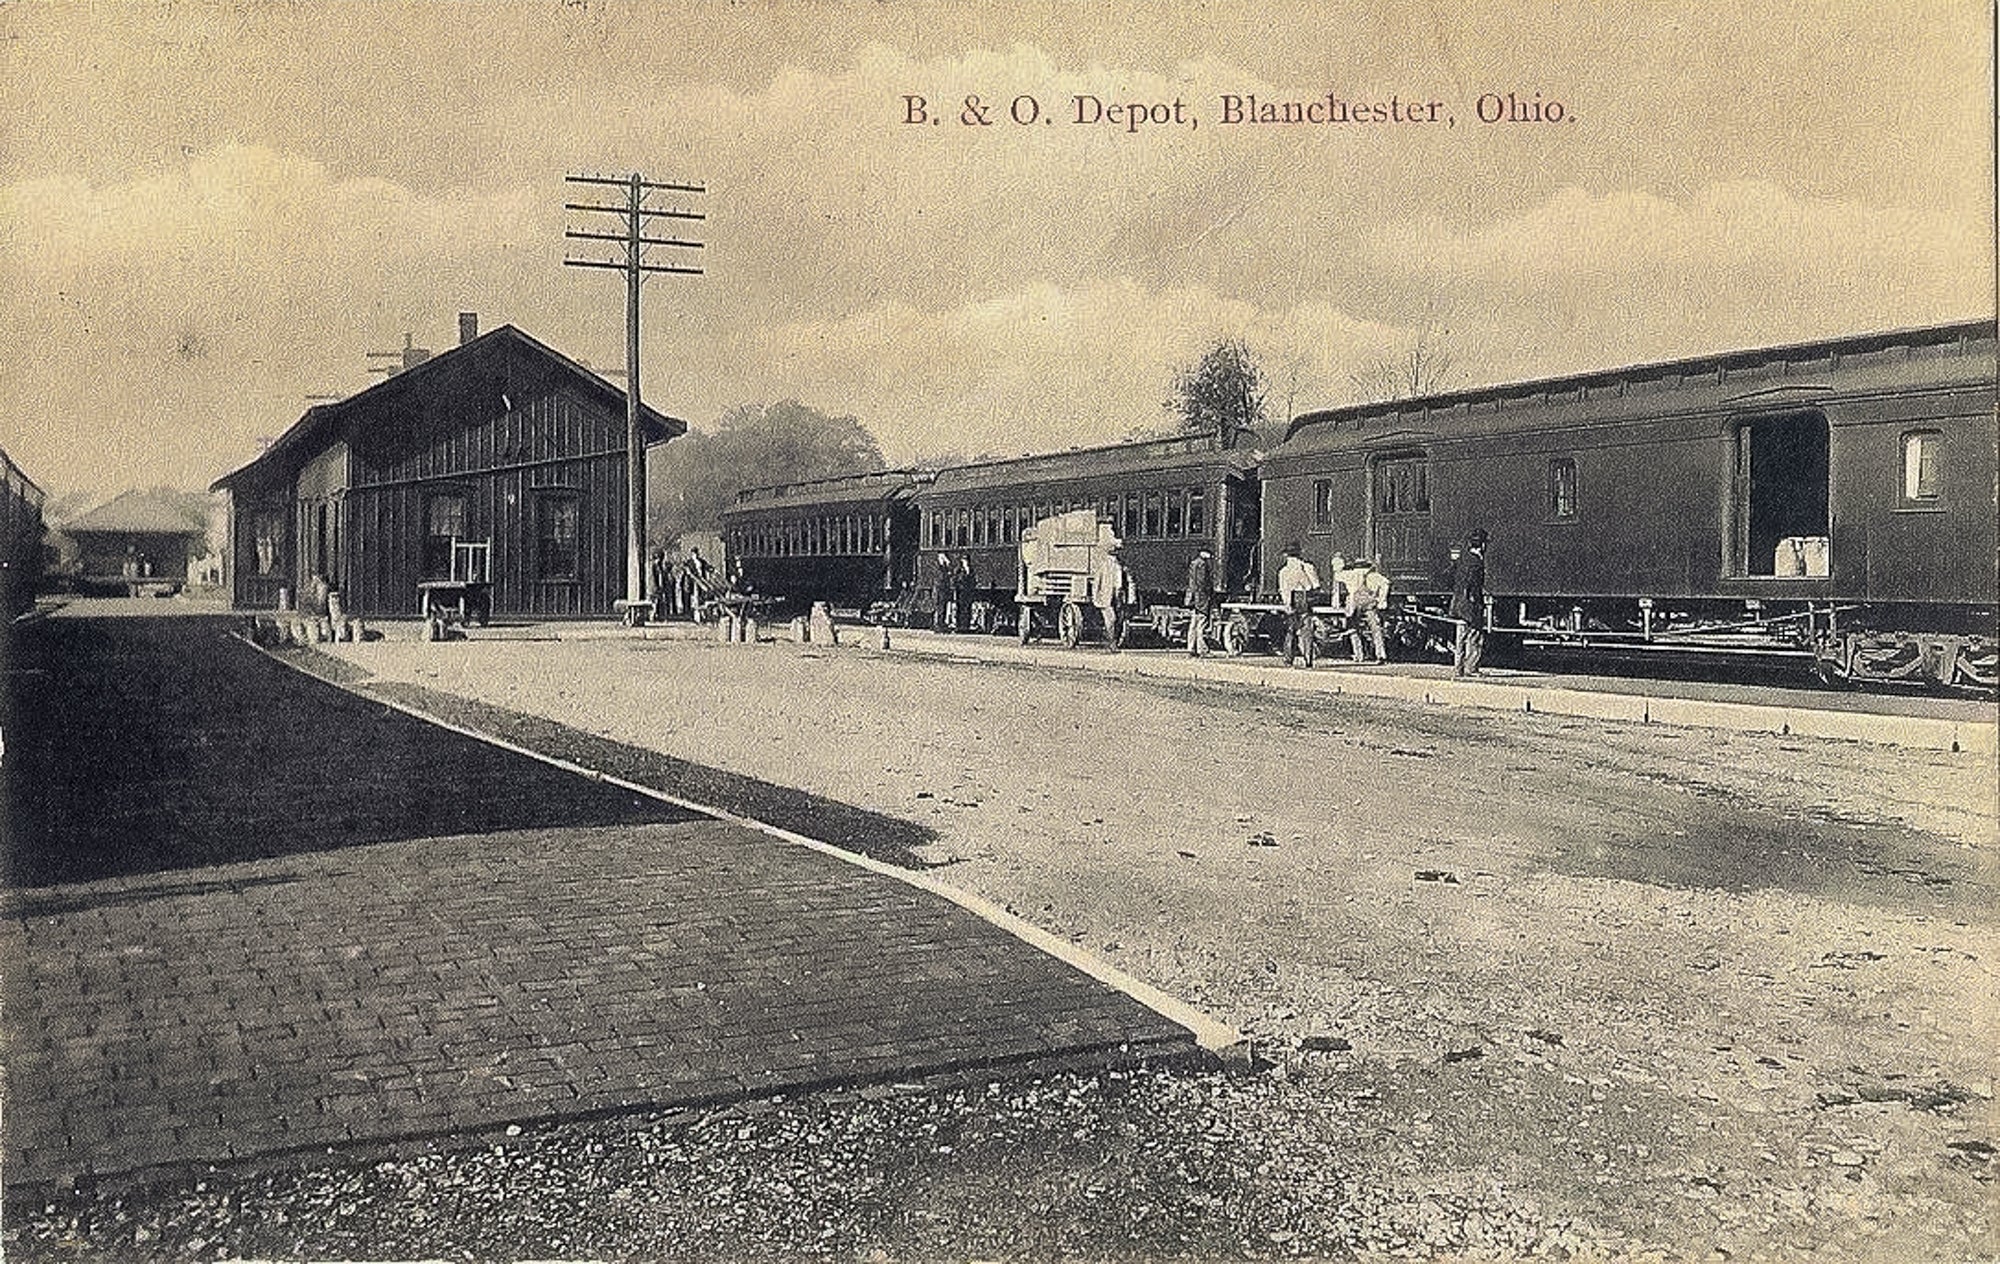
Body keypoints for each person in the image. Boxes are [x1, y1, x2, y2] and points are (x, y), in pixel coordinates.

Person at [1450, 528, 1489, 676]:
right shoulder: (1476, 562)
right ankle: (1471, 668)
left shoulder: (1462, 559)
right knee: (1475, 636)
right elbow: (1474, 585)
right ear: (1482, 545)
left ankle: (1458, 668)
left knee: (1460, 638)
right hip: (1471, 605)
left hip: (1459, 602)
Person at [1276, 543, 1322, 667]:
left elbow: (1284, 590)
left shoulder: (1283, 571)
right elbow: (1316, 585)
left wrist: (1287, 604)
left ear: (1286, 555)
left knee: (1291, 630)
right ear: (1300, 554)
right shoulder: (1307, 567)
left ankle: (1288, 659)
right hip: (1304, 597)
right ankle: (1308, 659)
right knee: (1307, 630)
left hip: (1290, 598)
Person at [1342, 556, 1391, 663]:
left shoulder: (1350, 575)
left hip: (1354, 605)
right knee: (1376, 629)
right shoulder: (1373, 576)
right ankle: (1380, 654)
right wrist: (1382, 599)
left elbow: (1338, 577)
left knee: (1353, 629)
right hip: (1369, 605)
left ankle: (1359, 655)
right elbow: (1386, 583)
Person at [1093, 542, 1133, 650]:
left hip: (1119, 596)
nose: (1115, 556)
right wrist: (1096, 596)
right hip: (1106, 596)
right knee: (1111, 619)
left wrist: (1129, 597)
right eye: (1113, 554)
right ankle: (1112, 642)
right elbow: (1097, 582)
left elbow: (1129, 582)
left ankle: (1114, 640)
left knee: (1119, 619)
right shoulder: (1103, 566)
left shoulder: (1123, 566)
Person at [1183, 548, 1217, 657]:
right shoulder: (1202, 564)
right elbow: (1202, 582)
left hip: (1194, 597)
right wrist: (1210, 592)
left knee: (1193, 624)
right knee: (1202, 623)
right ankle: (1202, 649)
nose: (1210, 555)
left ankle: (1191, 648)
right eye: (1208, 553)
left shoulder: (1194, 563)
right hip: (1202, 598)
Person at [680, 547, 714, 621]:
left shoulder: (701, 561)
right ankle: (692, 615)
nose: (695, 555)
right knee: (693, 598)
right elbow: (687, 573)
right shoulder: (689, 562)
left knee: (701, 597)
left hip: (701, 581)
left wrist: (711, 569)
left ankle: (702, 614)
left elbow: (707, 567)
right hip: (693, 582)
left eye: (696, 553)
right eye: (693, 553)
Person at [932, 552, 955, 633]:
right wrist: (947, 565)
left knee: (943, 607)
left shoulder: (943, 567)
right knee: (940, 608)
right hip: (939, 590)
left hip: (943, 590)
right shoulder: (938, 567)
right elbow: (941, 578)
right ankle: (938, 625)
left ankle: (941, 624)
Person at [953, 554, 976, 633]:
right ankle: (959, 626)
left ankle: (966, 626)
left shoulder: (971, 570)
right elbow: (956, 579)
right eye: (964, 560)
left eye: (966, 560)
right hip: (961, 591)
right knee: (960, 608)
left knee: (967, 608)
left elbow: (973, 580)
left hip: (968, 591)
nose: (965, 562)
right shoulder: (959, 570)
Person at [648, 549, 672, 621]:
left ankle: (658, 615)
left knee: (659, 601)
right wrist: (657, 586)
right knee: (655, 602)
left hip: (658, 587)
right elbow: (655, 577)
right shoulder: (654, 566)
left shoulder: (659, 566)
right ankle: (653, 615)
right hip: (655, 587)